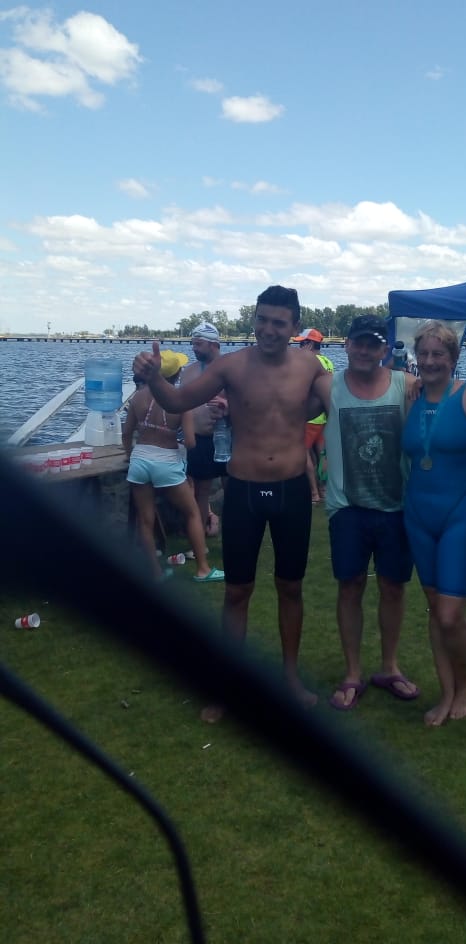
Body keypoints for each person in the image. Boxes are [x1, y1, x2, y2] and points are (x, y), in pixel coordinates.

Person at [132, 287, 331, 718]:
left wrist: (405, 388)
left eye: (279, 322)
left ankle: (290, 679)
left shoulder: (310, 366)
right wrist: (154, 377)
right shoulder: (232, 366)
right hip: (244, 490)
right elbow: (178, 400)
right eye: (262, 319)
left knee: (290, 588)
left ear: (295, 327)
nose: (268, 329)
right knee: (237, 591)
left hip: (292, 491)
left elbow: (347, 402)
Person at [324, 314, 421, 711]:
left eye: (374, 344)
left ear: (385, 348)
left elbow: (448, 396)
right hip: (347, 507)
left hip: (396, 506)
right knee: (350, 587)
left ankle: (390, 667)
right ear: (347, 344)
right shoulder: (326, 386)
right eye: (359, 342)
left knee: (393, 587)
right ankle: (352, 672)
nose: (365, 350)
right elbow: (277, 400)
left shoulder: (406, 385)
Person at [402, 322, 466, 726]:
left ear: (454, 358)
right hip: (419, 515)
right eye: (423, 353)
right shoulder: (410, 397)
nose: (429, 361)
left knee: (450, 615)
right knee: (434, 608)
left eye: (438, 354)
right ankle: (446, 693)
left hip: (463, 513)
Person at [122, 350, 224, 584]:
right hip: (166, 460)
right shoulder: (180, 401)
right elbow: (190, 441)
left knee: (145, 520)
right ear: (177, 374)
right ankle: (202, 569)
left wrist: (130, 455)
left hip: (140, 459)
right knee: (192, 513)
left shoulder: (137, 398)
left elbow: (126, 434)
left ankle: (155, 573)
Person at [180, 321, 227, 536]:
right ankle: (199, 535)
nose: (194, 348)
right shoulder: (188, 372)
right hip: (200, 439)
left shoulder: (230, 369)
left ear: (213, 344)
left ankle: (235, 531)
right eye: (193, 343)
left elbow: (246, 401)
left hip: (226, 437)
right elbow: (181, 404)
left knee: (232, 487)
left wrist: (227, 405)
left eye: (198, 344)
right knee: (201, 491)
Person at [295, 328, 334, 504]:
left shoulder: (307, 363)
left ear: (309, 344)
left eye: (301, 344)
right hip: (324, 417)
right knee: (322, 454)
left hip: (310, 418)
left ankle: (313, 493)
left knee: (303, 454)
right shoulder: (328, 362)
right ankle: (324, 490)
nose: (299, 347)